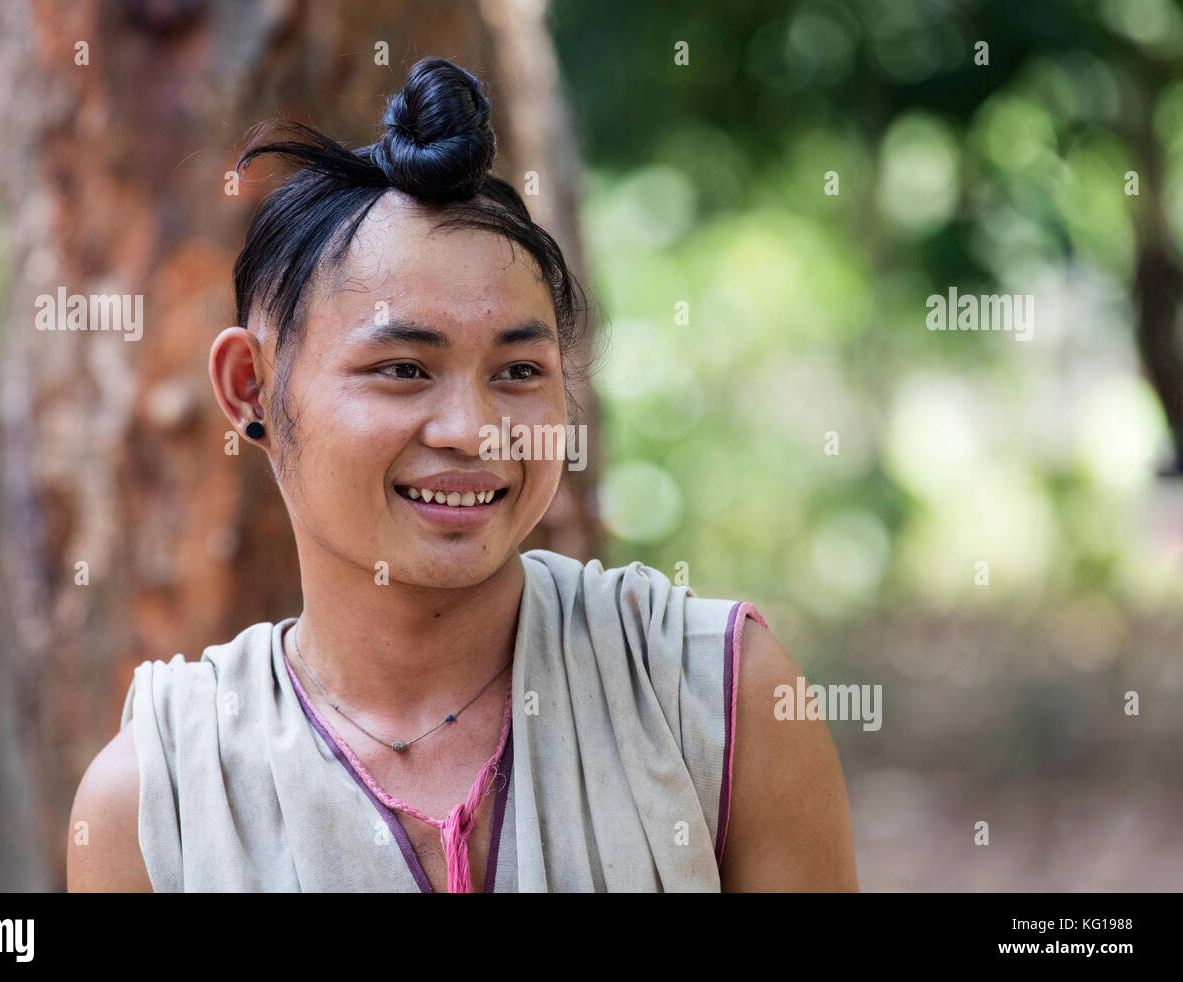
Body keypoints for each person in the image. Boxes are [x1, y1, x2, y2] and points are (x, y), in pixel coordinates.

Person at [67, 56, 858, 893]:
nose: (472, 432)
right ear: (248, 389)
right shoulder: (161, 803)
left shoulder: (715, 700)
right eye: (404, 369)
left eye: (518, 373)